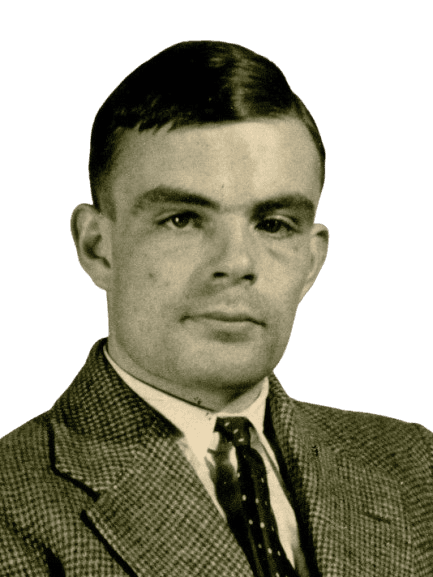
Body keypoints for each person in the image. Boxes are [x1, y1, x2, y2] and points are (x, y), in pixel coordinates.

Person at [1, 40, 432, 577]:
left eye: (274, 223)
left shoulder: (418, 464)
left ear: (311, 262)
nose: (236, 263)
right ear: (98, 248)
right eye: (182, 218)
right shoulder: (10, 505)